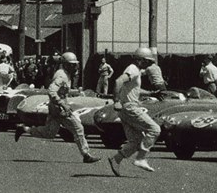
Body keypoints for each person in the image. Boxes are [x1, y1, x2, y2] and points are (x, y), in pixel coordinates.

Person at [15, 52, 101, 163]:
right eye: (71, 65)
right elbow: (51, 91)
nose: (74, 67)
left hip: (55, 108)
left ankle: (24, 129)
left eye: (75, 65)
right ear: (65, 65)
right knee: (78, 128)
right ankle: (86, 154)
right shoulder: (62, 76)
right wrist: (63, 104)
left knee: (49, 133)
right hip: (60, 108)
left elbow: (61, 91)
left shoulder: (65, 74)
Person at [108, 47, 161, 176]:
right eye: (147, 61)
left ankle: (116, 159)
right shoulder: (133, 69)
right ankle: (141, 158)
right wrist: (116, 100)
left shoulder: (135, 70)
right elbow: (118, 81)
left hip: (126, 108)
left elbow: (133, 89)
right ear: (141, 60)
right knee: (155, 129)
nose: (149, 65)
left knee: (136, 140)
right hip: (130, 107)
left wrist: (150, 93)